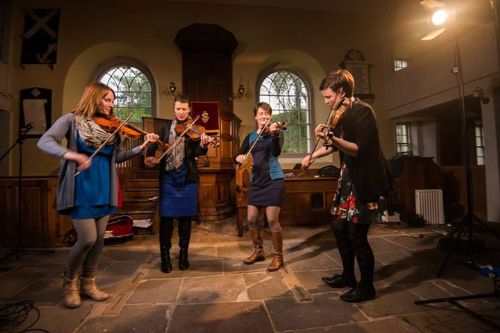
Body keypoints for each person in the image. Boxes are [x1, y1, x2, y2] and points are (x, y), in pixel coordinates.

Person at [37, 82, 159, 309]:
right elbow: (44, 141)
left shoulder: (110, 129)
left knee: (100, 240)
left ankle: (89, 283)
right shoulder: (72, 120)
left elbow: (118, 157)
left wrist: (140, 148)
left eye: (113, 101)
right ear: (94, 97)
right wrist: (72, 155)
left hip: (105, 187)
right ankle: (69, 282)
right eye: (107, 100)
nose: (111, 106)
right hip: (81, 188)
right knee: (87, 239)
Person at [301, 69, 390, 303]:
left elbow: (357, 148)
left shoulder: (362, 111)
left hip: (364, 179)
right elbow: (332, 145)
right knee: (339, 227)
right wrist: (313, 156)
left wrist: (332, 138)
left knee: (356, 233)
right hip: (348, 178)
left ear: (341, 92)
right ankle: (348, 276)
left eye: (328, 97)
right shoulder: (342, 113)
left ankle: (367, 287)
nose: (326, 102)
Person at [144, 94, 211, 274]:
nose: (181, 112)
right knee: (166, 218)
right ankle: (165, 255)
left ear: (189, 110)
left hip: (187, 178)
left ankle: (183, 254)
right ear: (174, 109)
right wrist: (150, 156)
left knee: (185, 218)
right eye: (178, 109)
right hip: (168, 178)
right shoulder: (165, 126)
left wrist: (204, 145)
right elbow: (154, 143)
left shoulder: (193, 129)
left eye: (184, 109)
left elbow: (196, 151)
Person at [235, 102, 285, 272]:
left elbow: (277, 152)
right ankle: (259, 251)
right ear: (256, 116)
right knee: (250, 219)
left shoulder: (274, 133)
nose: (264, 116)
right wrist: (240, 157)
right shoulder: (250, 137)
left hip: (273, 180)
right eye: (261, 113)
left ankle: (278, 256)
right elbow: (239, 154)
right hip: (257, 182)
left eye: (267, 114)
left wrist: (275, 135)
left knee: (271, 219)